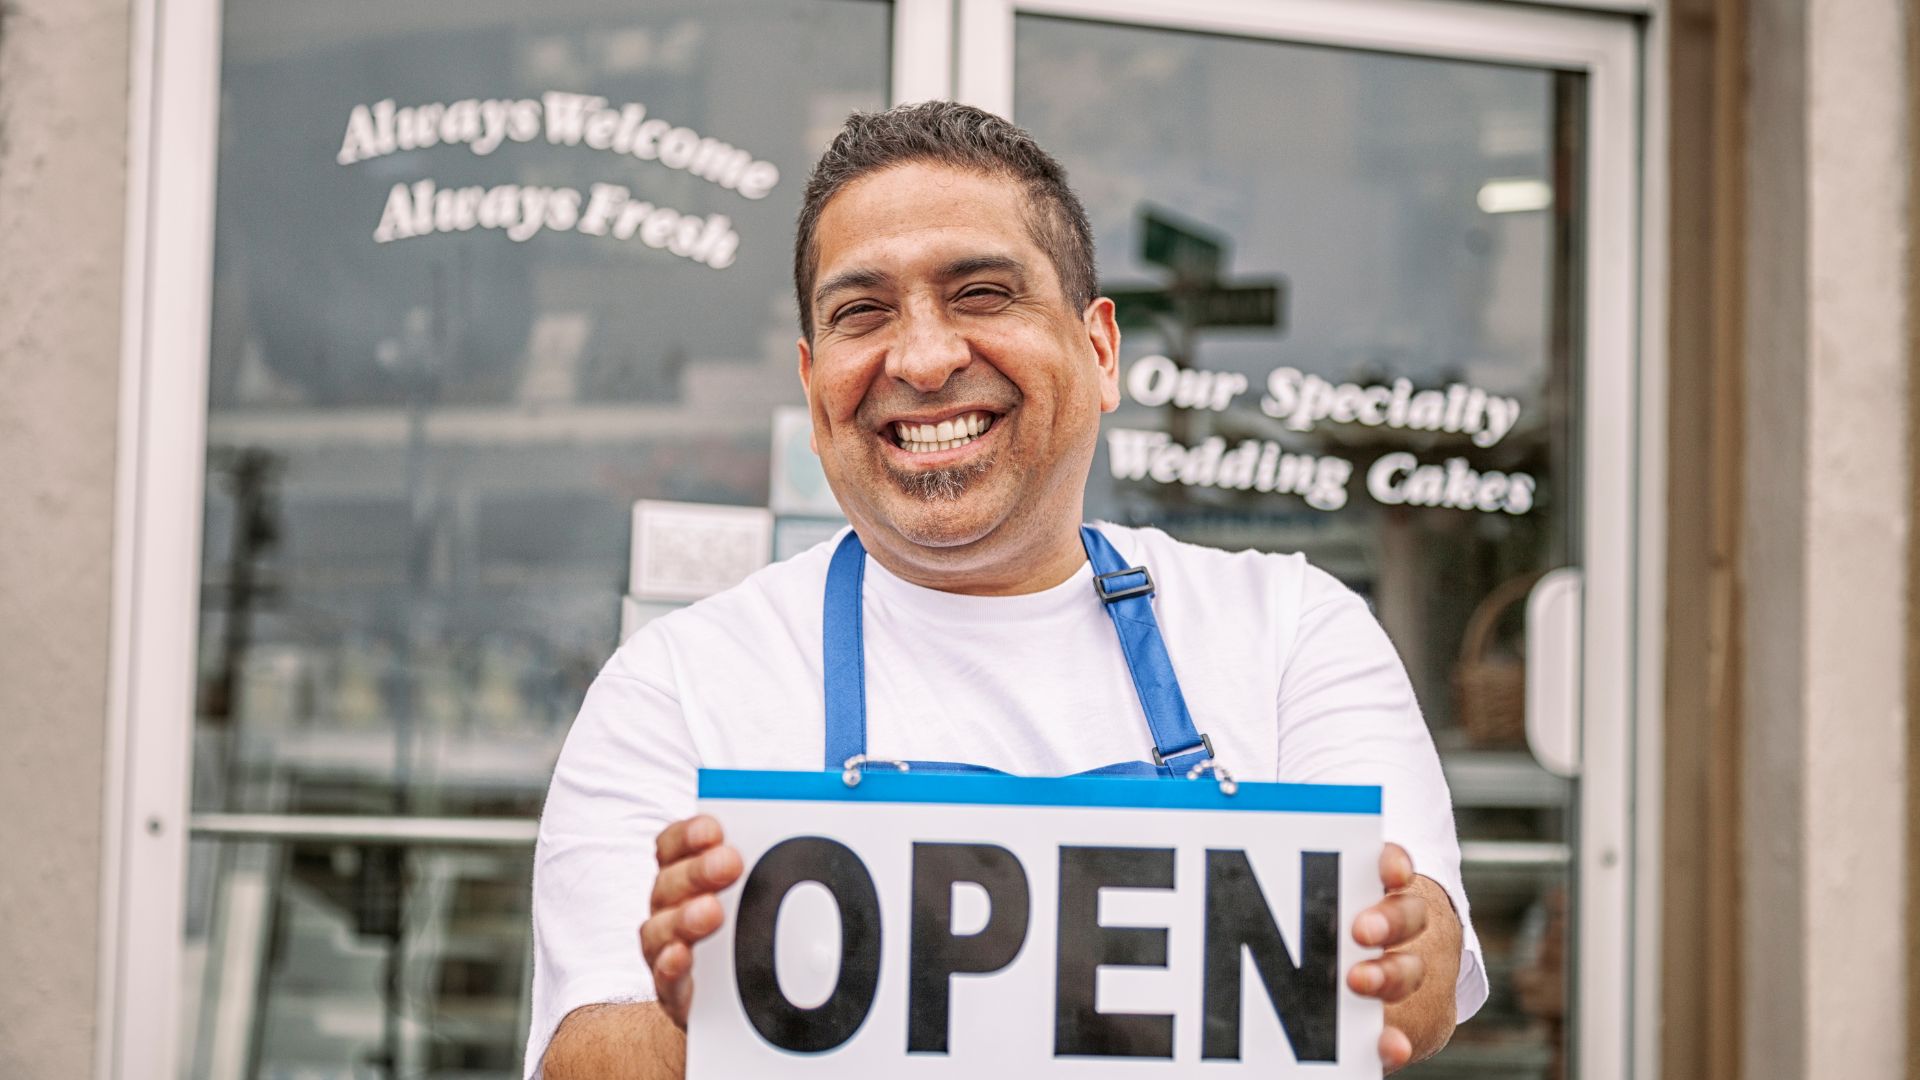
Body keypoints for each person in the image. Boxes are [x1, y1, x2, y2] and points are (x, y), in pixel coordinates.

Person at [526, 101, 1487, 1079]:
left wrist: (1391, 945)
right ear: (816, 390)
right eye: (863, 313)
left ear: (1101, 351)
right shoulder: (676, 688)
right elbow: (586, 1053)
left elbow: (1420, 984)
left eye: (981, 294)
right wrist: (708, 1019)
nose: (925, 358)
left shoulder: (1291, 630)